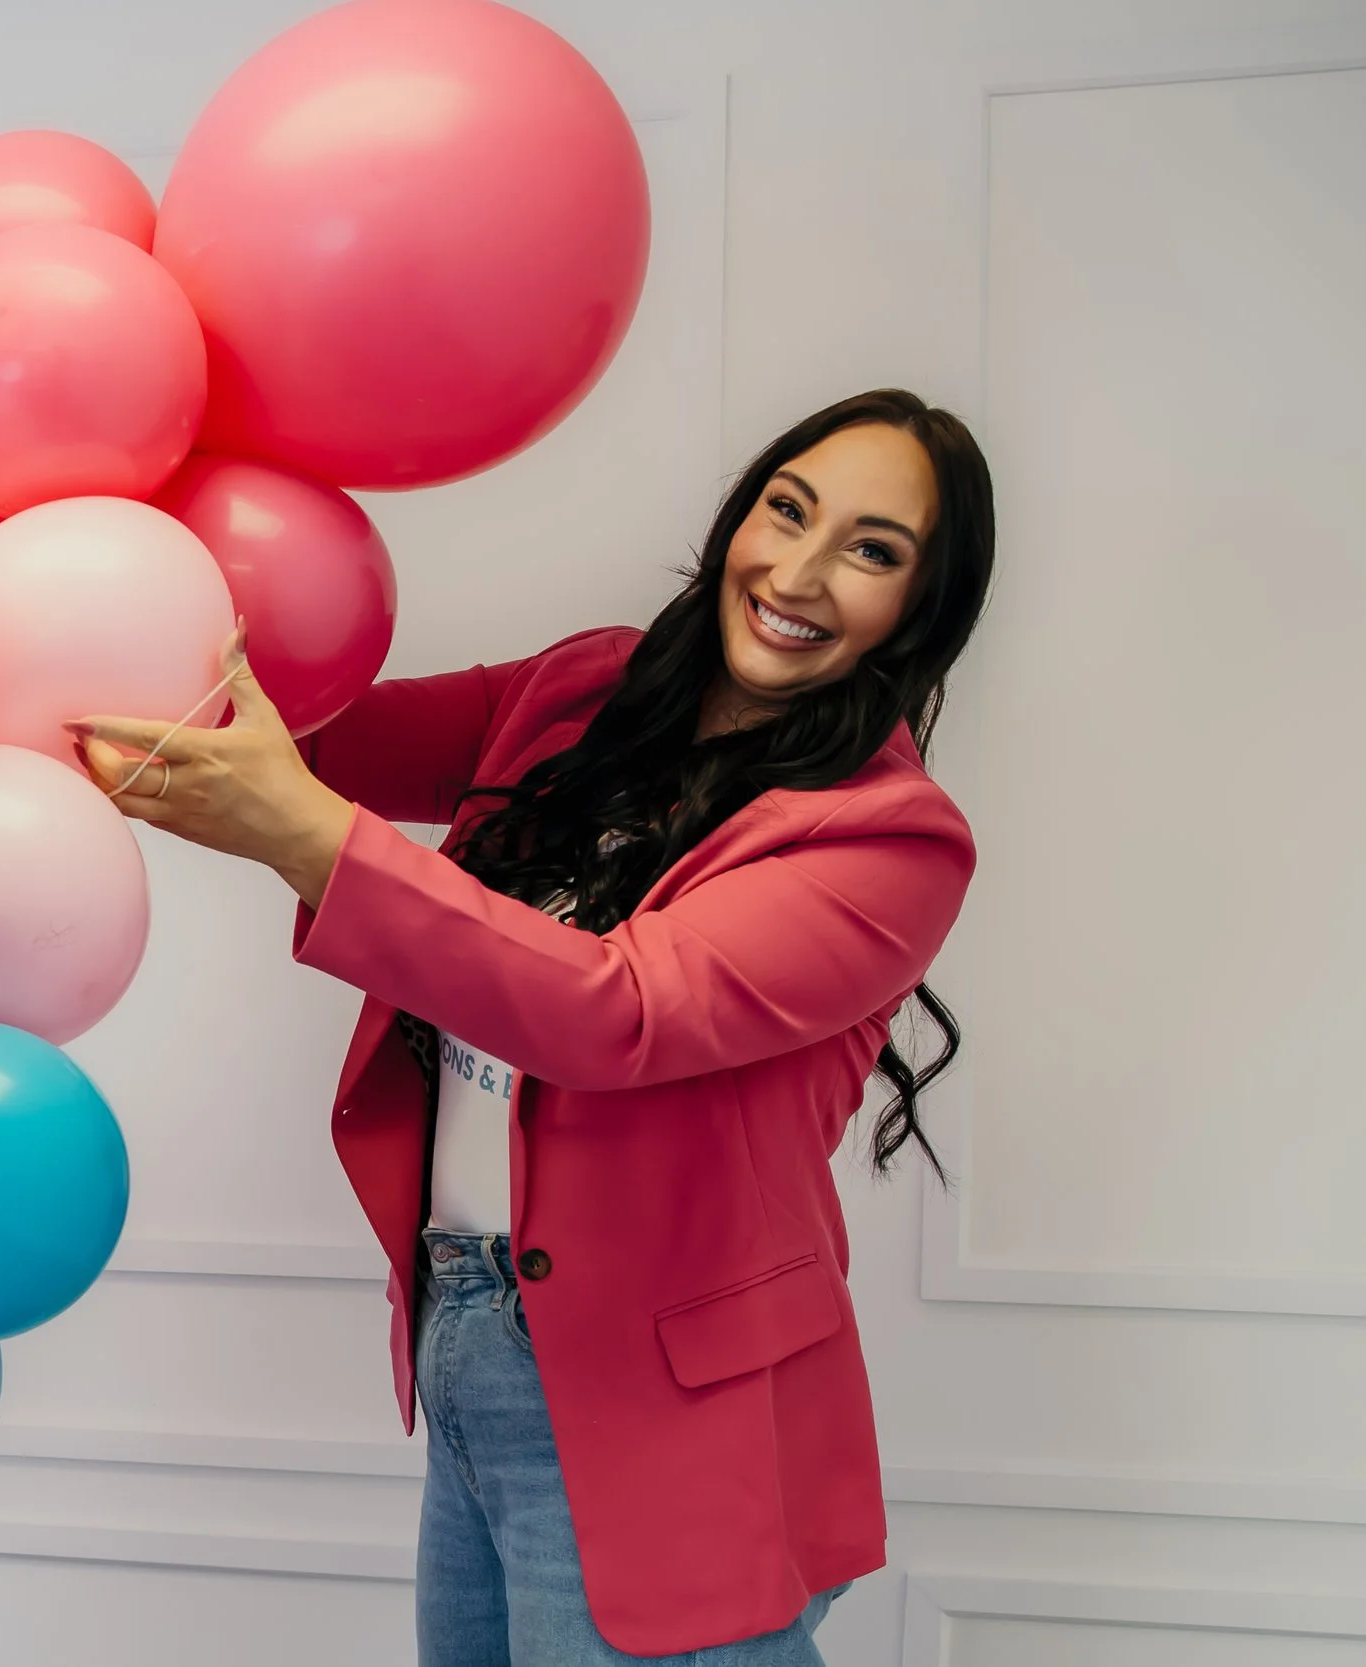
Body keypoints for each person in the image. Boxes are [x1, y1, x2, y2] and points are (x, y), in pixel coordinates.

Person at [72, 389, 993, 1666]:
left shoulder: (887, 838)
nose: (799, 570)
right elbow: (324, 738)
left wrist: (298, 836)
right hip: (470, 1330)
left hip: (664, 1408)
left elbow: (616, 1007)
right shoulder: (587, 689)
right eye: (788, 509)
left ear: (920, 609)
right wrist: (130, 583)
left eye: (872, 550)